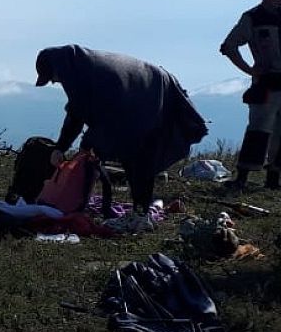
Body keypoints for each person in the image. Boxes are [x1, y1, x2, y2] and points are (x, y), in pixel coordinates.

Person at [35, 45, 208, 232]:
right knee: (138, 155)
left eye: (52, 77)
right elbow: (82, 111)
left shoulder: (78, 73)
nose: (54, 82)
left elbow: (79, 115)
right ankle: (140, 213)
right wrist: (71, 145)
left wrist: (70, 146)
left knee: (136, 154)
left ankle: (140, 216)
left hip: (149, 94)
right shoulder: (82, 64)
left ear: (57, 68)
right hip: (152, 87)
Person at [220, 0, 281, 191]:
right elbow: (229, 46)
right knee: (259, 130)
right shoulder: (252, 18)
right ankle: (242, 177)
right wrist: (250, 69)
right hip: (266, 85)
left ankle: (274, 179)